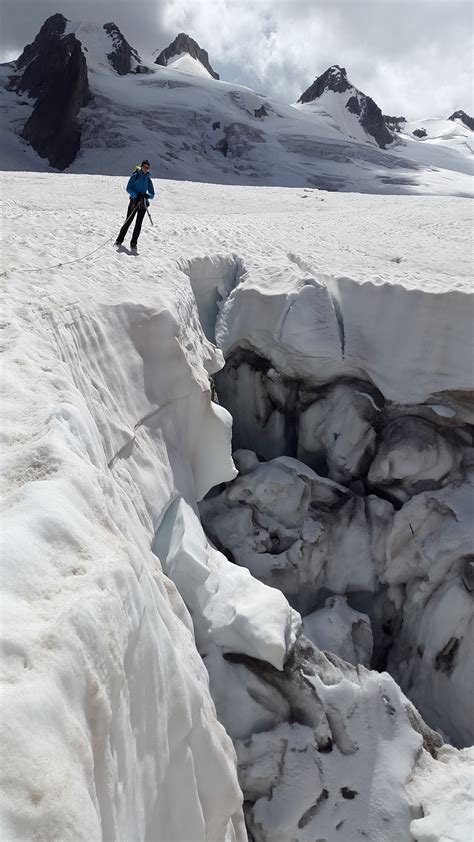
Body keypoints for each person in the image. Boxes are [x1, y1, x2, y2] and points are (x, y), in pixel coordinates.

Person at [115, 160, 155, 249]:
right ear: (141, 167)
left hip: (143, 203)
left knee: (138, 224)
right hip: (134, 202)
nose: (146, 169)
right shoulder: (135, 176)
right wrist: (136, 195)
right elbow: (128, 188)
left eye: (147, 168)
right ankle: (119, 240)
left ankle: (134, 242)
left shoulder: (148, 179)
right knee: (128, 221)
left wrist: (147, 195)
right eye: (144, 167)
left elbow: (152, 193)